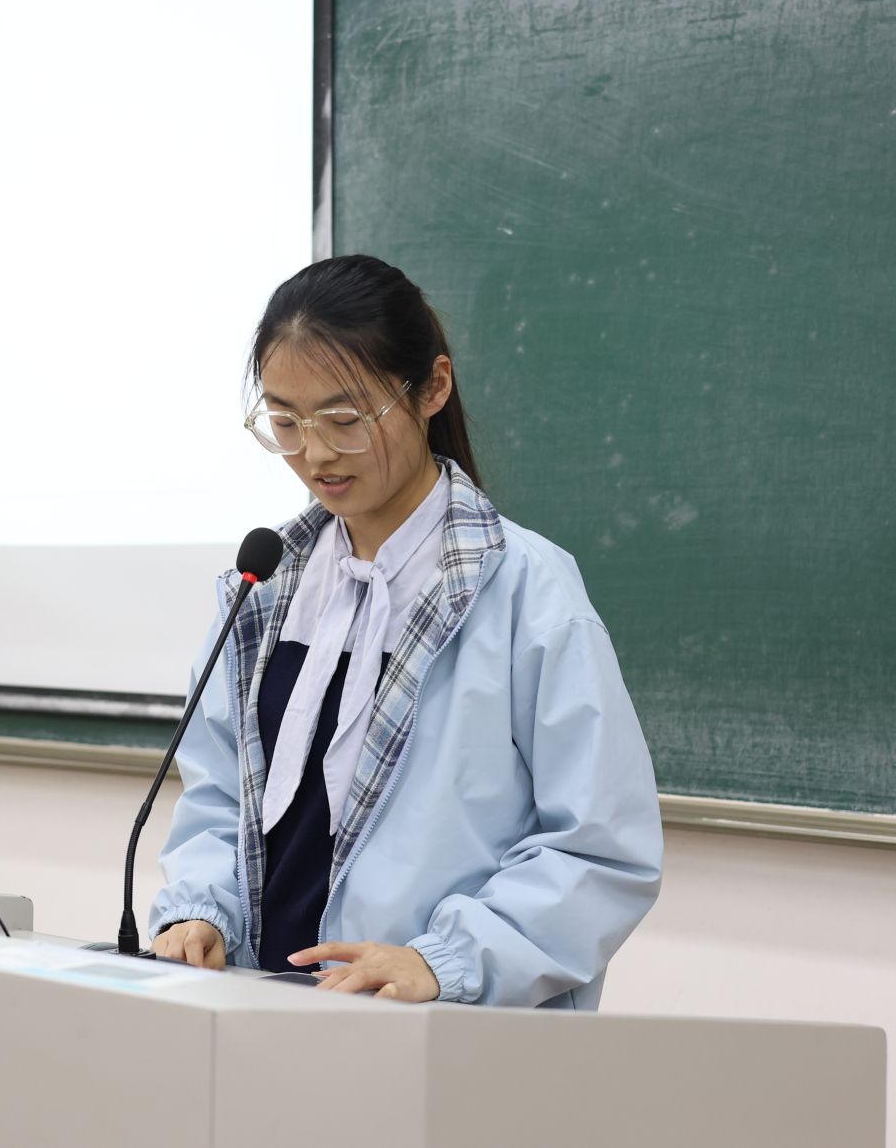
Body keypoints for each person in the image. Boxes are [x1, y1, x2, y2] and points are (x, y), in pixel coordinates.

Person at [147, 254, 662, 1009]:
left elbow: (600, 849)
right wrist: (201, 909)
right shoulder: (266, 589)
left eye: (345, 420)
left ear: (432, 388)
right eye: (285, 422)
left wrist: (444, 959)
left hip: (437, 1033)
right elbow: (220, 796)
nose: (316, 453)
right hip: (260, 1013)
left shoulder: (527, 592)